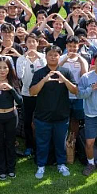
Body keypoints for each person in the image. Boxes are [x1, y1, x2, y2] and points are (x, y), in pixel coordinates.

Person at [29, 45, 79, 179]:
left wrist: (64, 79)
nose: (53, 57)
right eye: (50, 55)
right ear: (45, 56)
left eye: (56, 55)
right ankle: (41, 165)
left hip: (61, 115)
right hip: (42, 116)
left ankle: (61, 164)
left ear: (59, 56)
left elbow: (75, 91)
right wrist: (44, 80)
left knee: (60, 142)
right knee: (42, 142)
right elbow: (32, 92)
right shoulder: (39, 73)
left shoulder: (65, 71)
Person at [0, 58, 23, 180]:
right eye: (0, 68)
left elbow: (20, 101)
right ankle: (1, 169)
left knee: (10, 142)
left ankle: (11, 168)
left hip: (11, 116)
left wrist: (11, 89)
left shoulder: (13, 81)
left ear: (9, 68)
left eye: (5, 67)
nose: (2, 70)